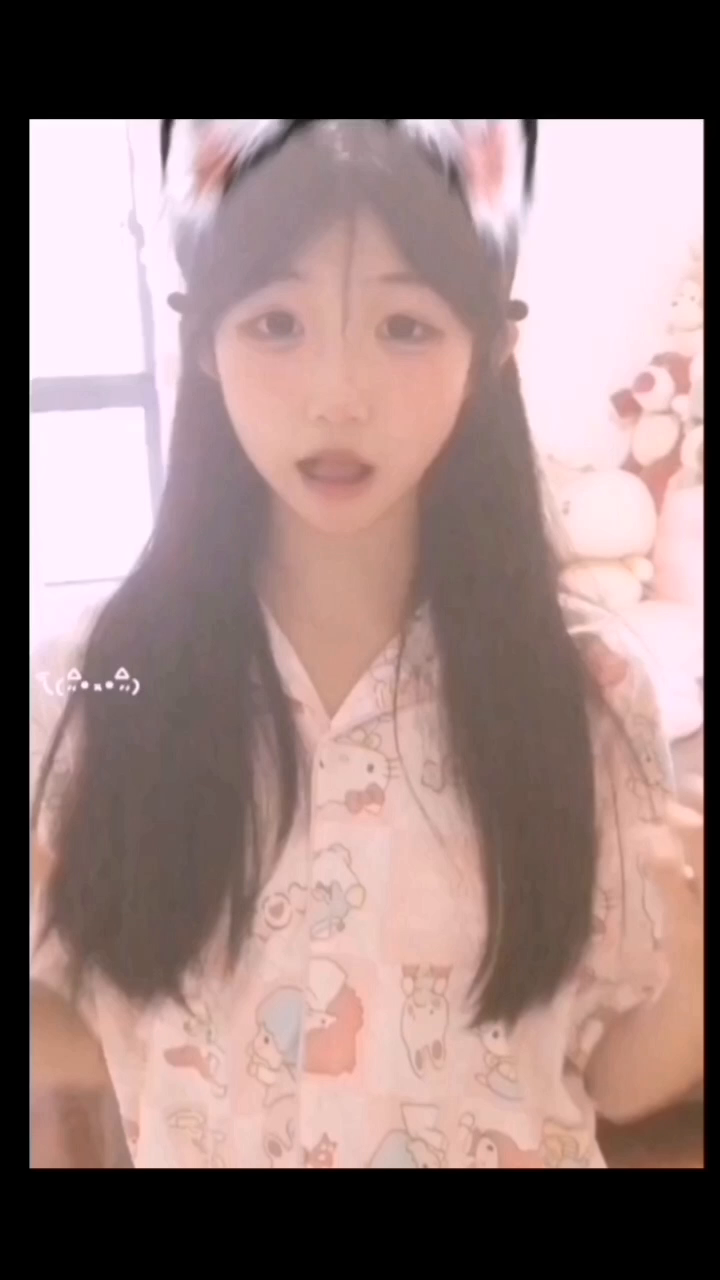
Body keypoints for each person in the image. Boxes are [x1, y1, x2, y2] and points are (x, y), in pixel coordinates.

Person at [30, 119, 703, 1169]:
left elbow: (617, 1074)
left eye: (404, 326)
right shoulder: (104, 686)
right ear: (202, 342)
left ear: (490, 351)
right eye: (276, 323)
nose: (337, 395)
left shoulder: (588, 691)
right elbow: (95, 1023)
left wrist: (691, 945)